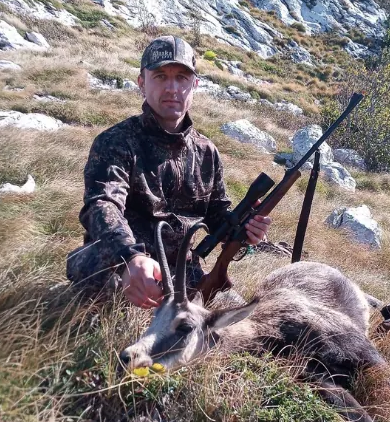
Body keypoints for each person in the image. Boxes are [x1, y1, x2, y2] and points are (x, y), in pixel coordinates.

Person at [66, 35, 271, 308]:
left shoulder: (206, 152)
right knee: (100, 277)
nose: (172, 88)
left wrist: (246, 230)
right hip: (122, 262)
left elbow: (218, 215)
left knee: (238, 314)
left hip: (183, 272)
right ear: (142, 83)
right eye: (161, 76)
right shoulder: (116, 142)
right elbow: (102, 205)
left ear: (194, 85)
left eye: (182, 78)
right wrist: (131, 258)